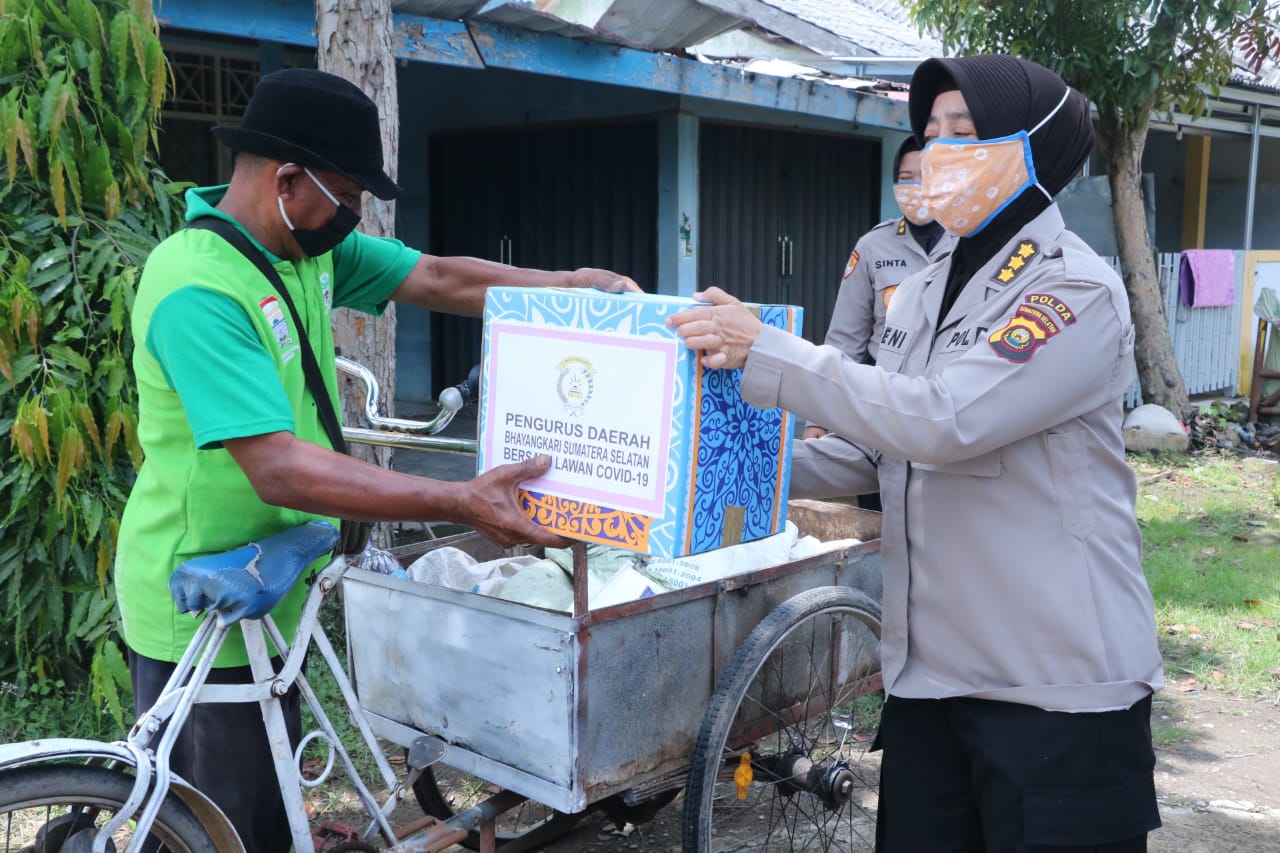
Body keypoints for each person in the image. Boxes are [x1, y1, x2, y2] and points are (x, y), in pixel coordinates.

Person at [115, 68, 637, 853]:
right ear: (287, 180)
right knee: (217, 831)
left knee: (269, 812)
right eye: (348, 195)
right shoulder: (198, 287)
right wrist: (458, 499)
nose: (352, 216)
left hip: (268, 585)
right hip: (198, 601)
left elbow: (436, 275)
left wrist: (568, 287)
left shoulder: (300, 247)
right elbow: (277, 466)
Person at [669, 54, 1164, 851]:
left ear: (1033, 149)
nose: (938, 151)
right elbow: (882, 448)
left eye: (964, 132)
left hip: (1055, 689)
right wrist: (714, 462)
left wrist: (769, 350)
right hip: (929, 680)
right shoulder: (924, 288)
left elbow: (941, 420)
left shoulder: (1074, 291)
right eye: (930, 131)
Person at [803, 135, 955, 512]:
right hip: (879, 409)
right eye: (905, 178)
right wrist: (817, 418)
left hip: (948, 411)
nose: (915, 187)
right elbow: (844, 341)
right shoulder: (874, 246)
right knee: (879, 515)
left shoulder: (972, 246)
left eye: (926, 175)